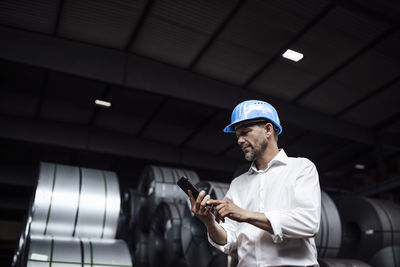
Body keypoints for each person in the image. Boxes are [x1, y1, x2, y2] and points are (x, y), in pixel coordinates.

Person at [188, 100, 321, 267]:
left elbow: (308, 223)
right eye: (237, 135)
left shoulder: (301, 168)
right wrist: (209, 222)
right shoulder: (238, 184)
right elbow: (228, 241)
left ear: (268, 129)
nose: (239, 141)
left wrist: (245, 215)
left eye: (245, 132)